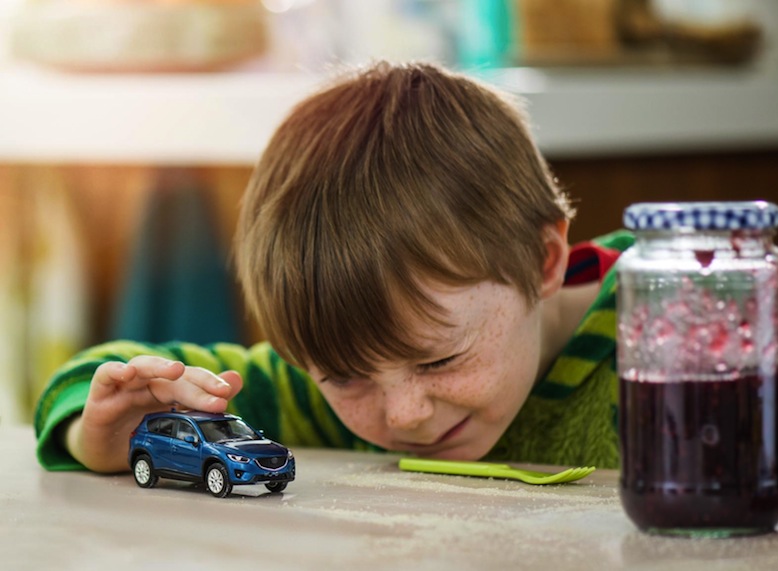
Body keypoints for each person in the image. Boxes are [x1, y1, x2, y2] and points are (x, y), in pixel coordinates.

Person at [34, 60, 637, 475]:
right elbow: (96, 375)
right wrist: (100, 436)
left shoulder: (695, 340)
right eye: (345, 378)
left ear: (543, 261)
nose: (407, 416)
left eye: (440, 359)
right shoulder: (319, 389)